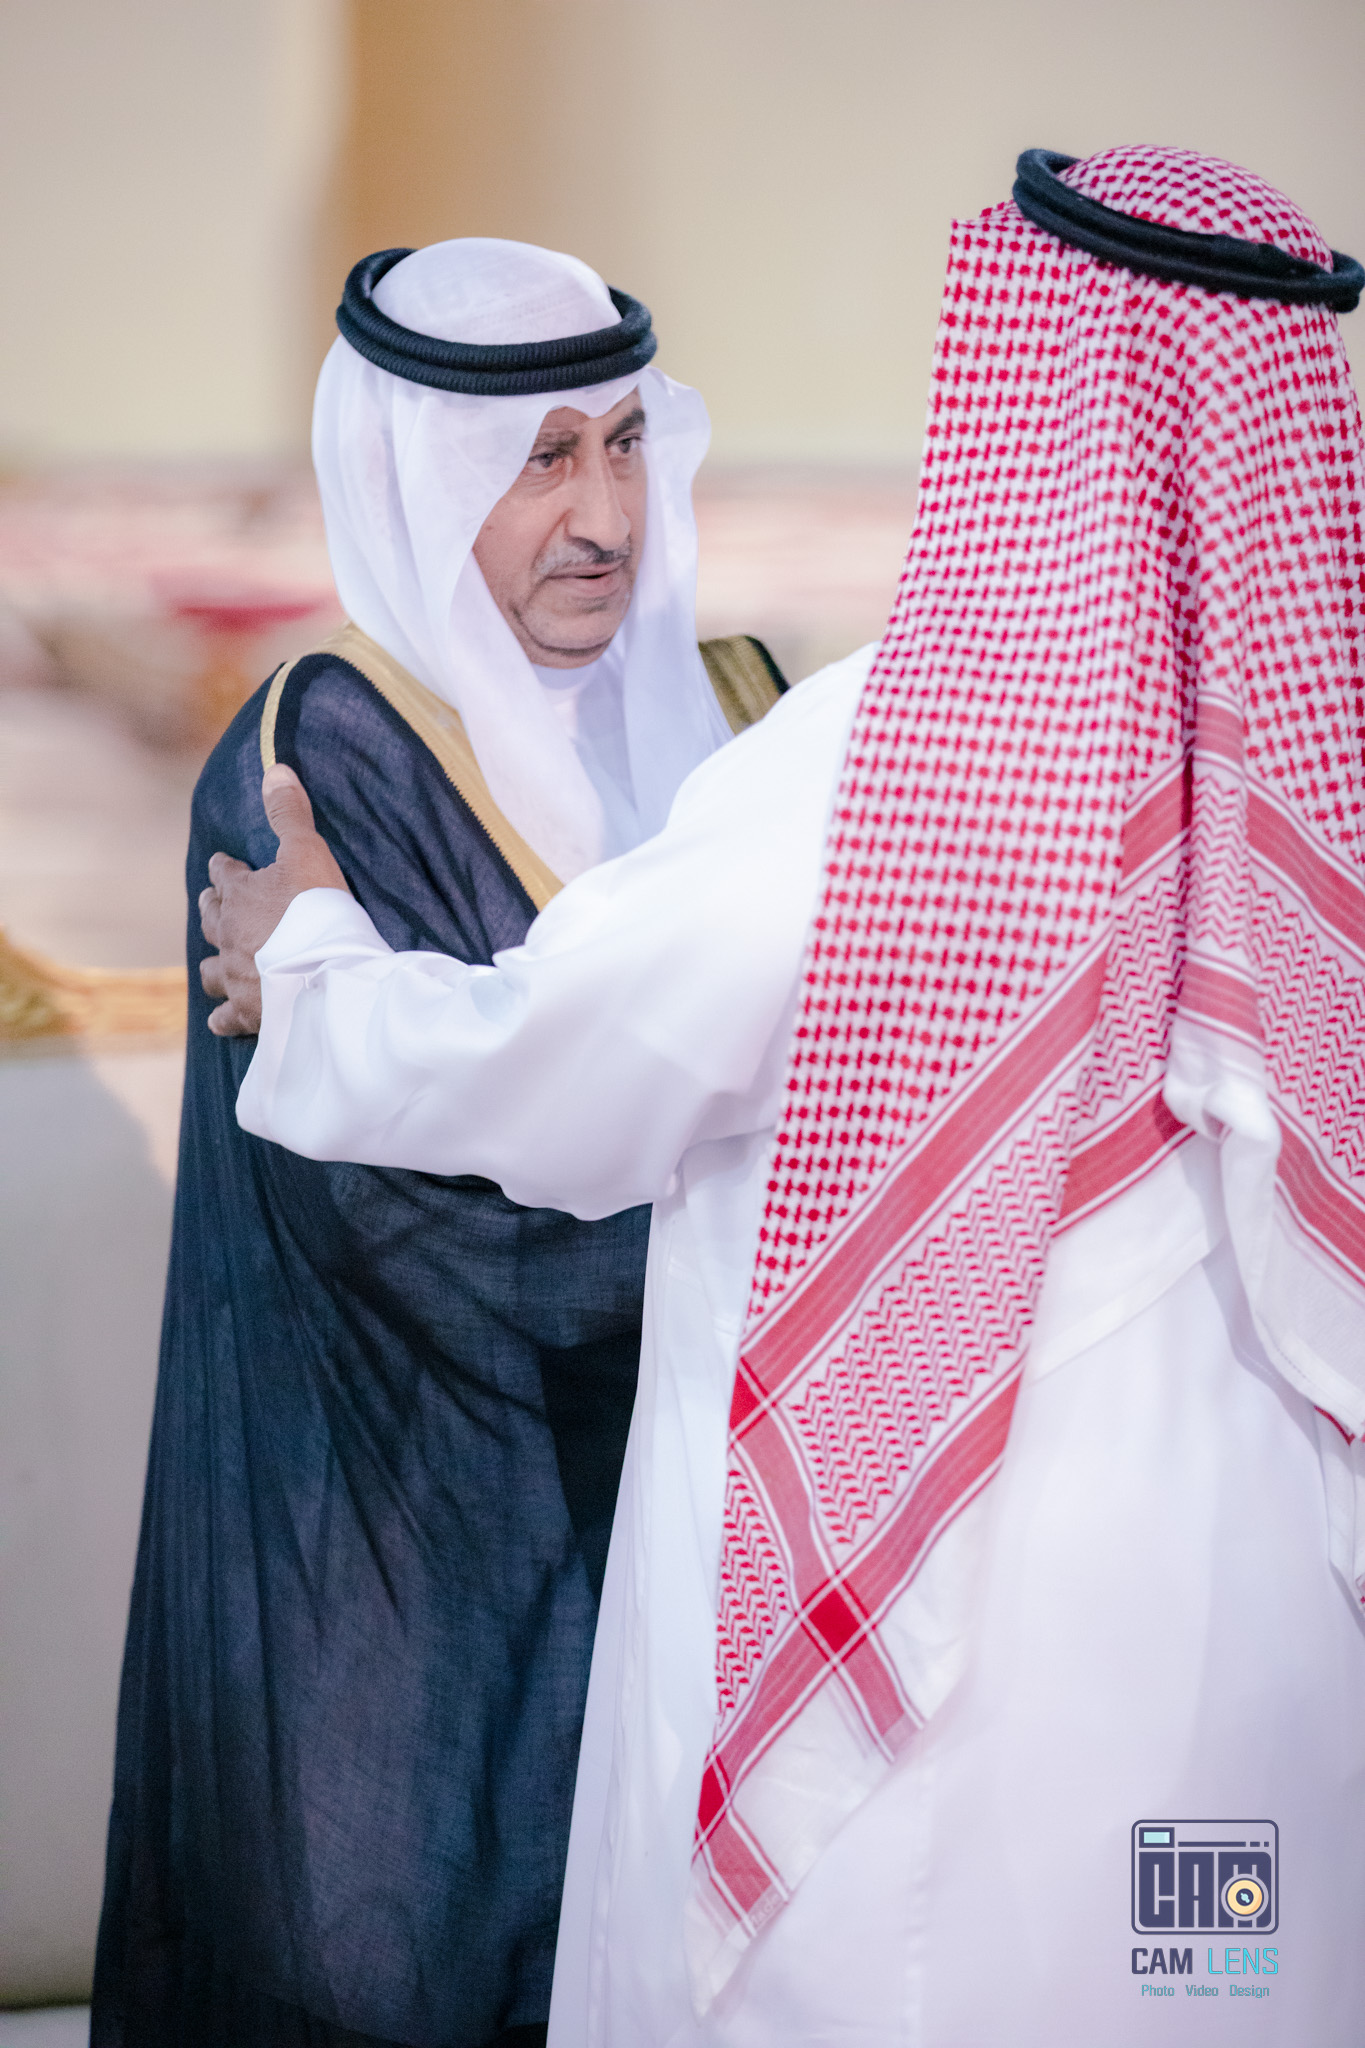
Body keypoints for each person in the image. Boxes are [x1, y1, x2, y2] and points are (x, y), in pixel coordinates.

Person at [204, 148, 1365, 2044]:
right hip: (1252, 1582)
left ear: (1027, 396)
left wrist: (323, 980)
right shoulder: (1320, 760)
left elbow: (569, 1064)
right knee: (1213, 1973)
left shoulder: (892, 763)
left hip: (948, 1586)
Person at [93, 238, 786, 2048]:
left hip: (708, 1549)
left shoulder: (744, 716)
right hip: (415, 1573)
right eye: (538, 461)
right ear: (416, 471)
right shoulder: (320, 757)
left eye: (625, 446)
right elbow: (408, 1224)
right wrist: (776, 1228)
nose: (603, 518)